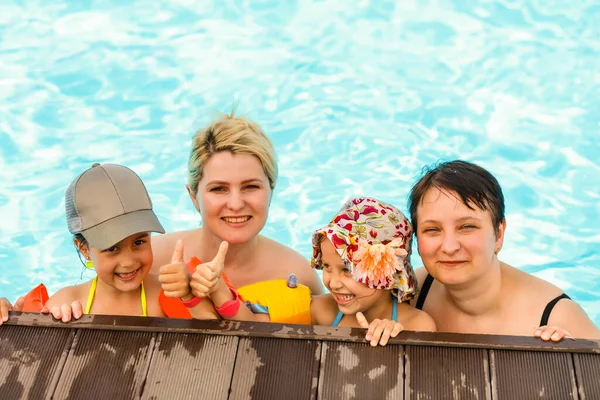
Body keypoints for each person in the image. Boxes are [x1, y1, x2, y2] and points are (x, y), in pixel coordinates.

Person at [186, 197, 436, 346]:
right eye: (327, 267)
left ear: (387, 271)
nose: (333, 283)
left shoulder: (416, 324)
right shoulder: (323, 310)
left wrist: (394, 340)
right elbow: (250, 324)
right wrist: (217, 289)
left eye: (347, 270)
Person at [152, 110, 323, 323]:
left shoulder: (299, 273)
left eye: (251, 187)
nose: (235, 204)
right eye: (218, 189)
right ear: (193, 197)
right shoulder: (152, 262)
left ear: (271, 190)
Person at [0, 163, 218, 325]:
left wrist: (189, 296)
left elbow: (217, 336)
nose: (128, 261)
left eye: (139, 242)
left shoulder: (165, 292)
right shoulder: (69, 301)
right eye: (112, 247)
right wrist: (7, 315)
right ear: (83, 248)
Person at [408, 160, 600, 341]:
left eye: (467, 227)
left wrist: (575, 361)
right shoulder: (410, 294)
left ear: (498, 234)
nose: (449, 247)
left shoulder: (556, 317)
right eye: (432, 229)